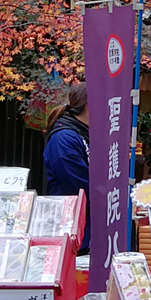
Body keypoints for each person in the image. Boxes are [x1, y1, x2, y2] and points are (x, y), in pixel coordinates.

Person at [42, 83, 91, 257]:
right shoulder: (64, 138)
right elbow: (79, 185)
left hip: (87, 230)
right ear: (88, 105)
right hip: (70, 230)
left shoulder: (85, 133)